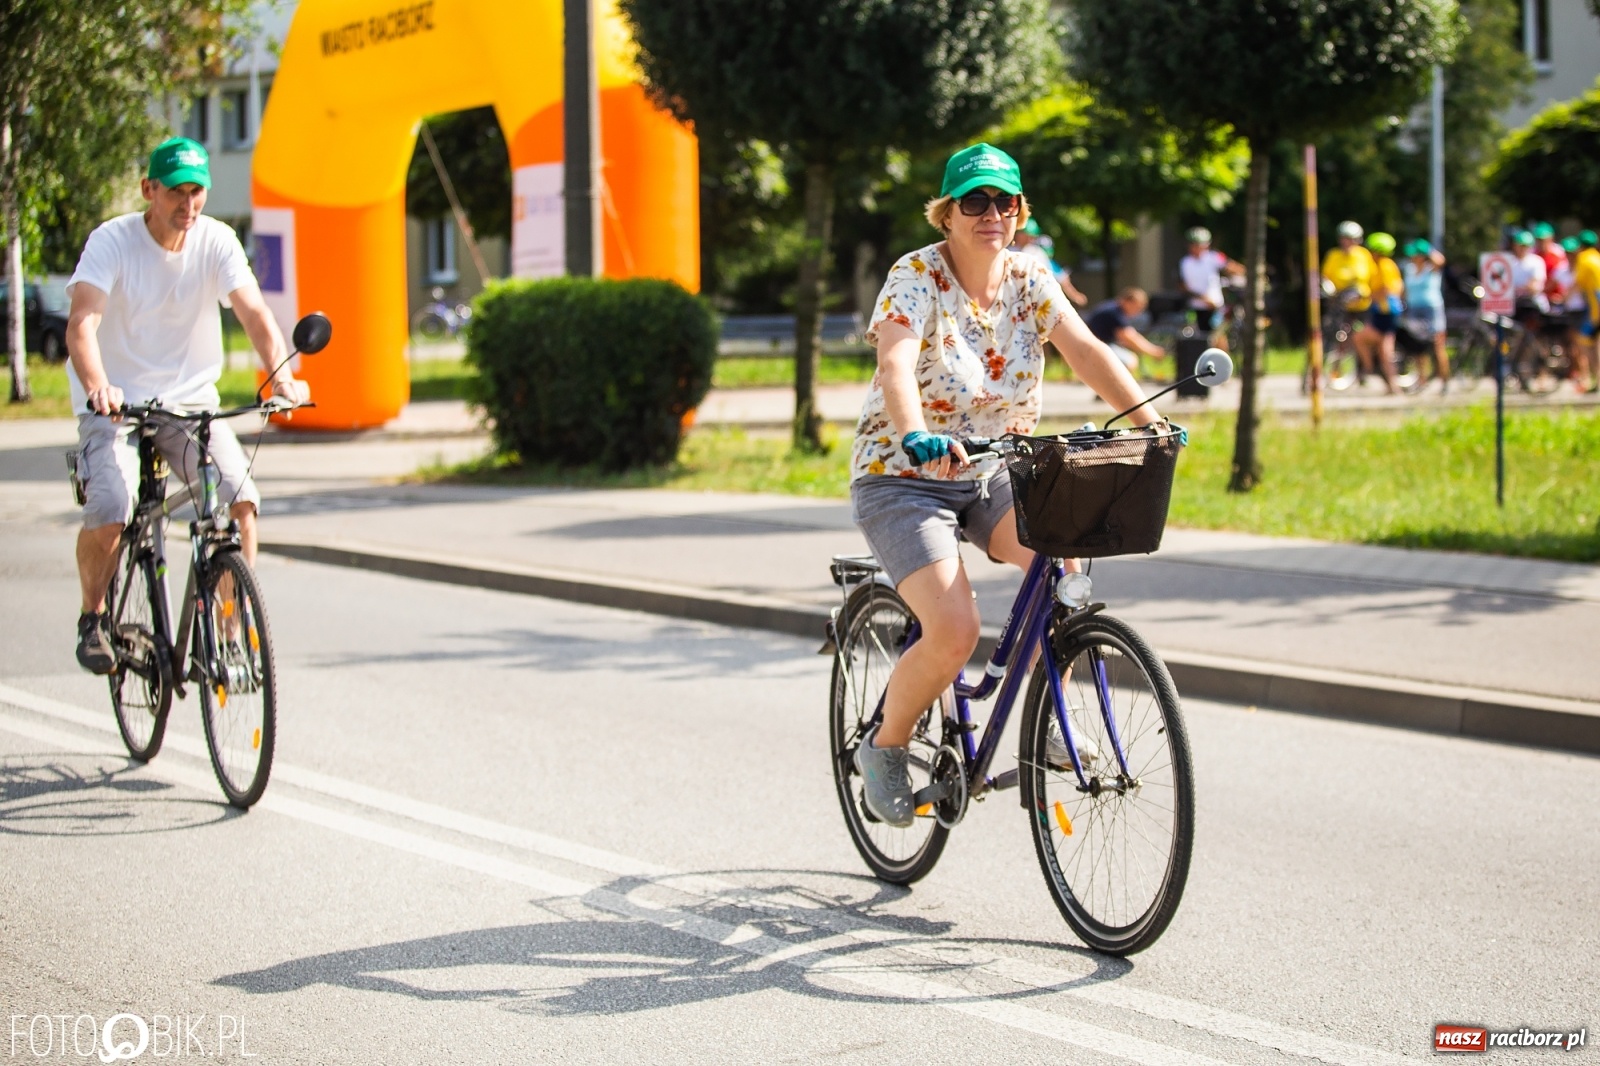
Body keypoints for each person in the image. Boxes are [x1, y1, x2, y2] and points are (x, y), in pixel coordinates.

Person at [850, 142, 1161, 827]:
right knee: (955, 629)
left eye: (1005, 201)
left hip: (995, 466)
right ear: (948, 214)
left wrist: (1150, 420)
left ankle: (1047, 713)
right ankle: (886, 745)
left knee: (1065, 567)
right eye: (975, 201)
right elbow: (897, 364)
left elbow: (1085, 348)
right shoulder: (915, 276)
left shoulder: (1029, 275)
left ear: (1019, 213)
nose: (992, 213)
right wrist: (913, 435)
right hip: (905, 476)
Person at [66, 136, 310, 674]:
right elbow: (83, 321)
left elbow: (254, 316)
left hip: (189, 404)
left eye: (198, 191)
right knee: (112, 502)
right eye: (177, 191)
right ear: (148, 190)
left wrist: (280, 376)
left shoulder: (217, 241)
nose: (189, 204)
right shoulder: (113, 241)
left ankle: (227, 634)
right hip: (115, 403)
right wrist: (98, 384)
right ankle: (93, 616)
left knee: (239, 498)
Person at [1352, 231, 1403, 393]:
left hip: (1386, 311)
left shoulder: (1385, 265)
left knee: (1363, 339)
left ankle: (1370, 368)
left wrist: (1370, 296)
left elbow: (1388, 289)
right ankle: (1391, 385)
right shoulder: (1383, 265)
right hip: (1382, 311)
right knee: (1383, 349)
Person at [1178, 226, 1244, 345]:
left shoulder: (1214, 257)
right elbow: (1184, 286)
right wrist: (1203, 298)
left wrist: (1246, 272)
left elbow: (1231, 267)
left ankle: (1223, 361)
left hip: (1215, 305)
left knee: (1219, 336)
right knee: (1200, 338)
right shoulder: (1185, 262)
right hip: (1197, 306)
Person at [1401, 239, 1449, 392]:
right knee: (1418, 347)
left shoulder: (1431, 269)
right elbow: (1405, 290)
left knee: (1437, 344)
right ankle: (1422, 380)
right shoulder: (1409, 269)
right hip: (1414, 309)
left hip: (1432, 310)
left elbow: (1440, 260)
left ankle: (1444, 381)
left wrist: (1428, 249)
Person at [1085, 287, 1166, 377]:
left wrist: (1152, 349)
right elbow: (1129, 338)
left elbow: (1132, 335)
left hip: (1098, 343)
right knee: (1129, 361)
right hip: (1095, 346)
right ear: (1128, 302)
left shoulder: (1113, 308)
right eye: (1138, 307)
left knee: (1129, 358)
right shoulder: (1114, 313)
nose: (1138, 312)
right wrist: (1153, 352)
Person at [1012, 218, 1088, 306]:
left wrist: (1075, 296)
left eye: (1033, 236)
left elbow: (1062, 279)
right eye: (1029, 235)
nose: (1031, 239)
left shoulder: (1037, 254)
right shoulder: (1007, 251)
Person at [1573, 229, 1600, 393]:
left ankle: (1595, 377)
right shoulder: (1597, 256)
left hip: (1596, 309)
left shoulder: (1583, 259)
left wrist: (1563, 299)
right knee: (1596, 343)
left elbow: (1577, 283)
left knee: (1583, 342)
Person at [1510, 229, 1548, 323]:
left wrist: (1516, 288)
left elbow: (1534, 287)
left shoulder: (1536, 261)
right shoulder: (1508, 261)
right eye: (1520, 245)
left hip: (1532, 305)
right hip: (1513, 303)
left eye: (1525, 246)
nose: (1522, 248)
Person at [1533, 222, 1568, 304]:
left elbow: (1559, 279)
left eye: (1543, 240)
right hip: (1539, 297)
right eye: (1539, 240)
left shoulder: (1559, 254)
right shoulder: (1533, 254)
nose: (1541, 243)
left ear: (1551, 238)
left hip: (1555, 297)